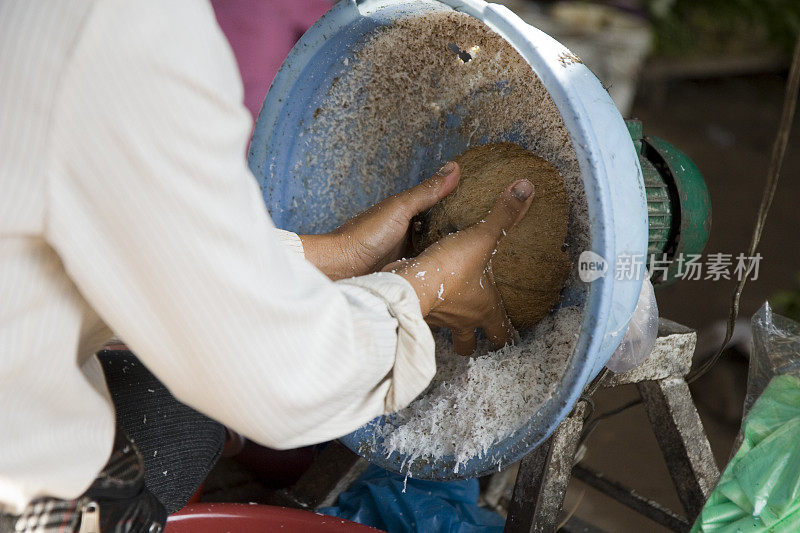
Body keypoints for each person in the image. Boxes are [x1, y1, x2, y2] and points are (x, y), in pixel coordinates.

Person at [0, 1, 535, 531]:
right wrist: (423, 288)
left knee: (181, 417)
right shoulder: (119, 30)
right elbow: (274, 378)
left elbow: (122, 230)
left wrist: (331, 255)